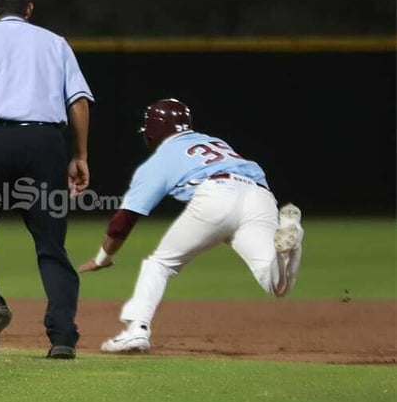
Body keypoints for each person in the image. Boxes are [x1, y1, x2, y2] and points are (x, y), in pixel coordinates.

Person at [78, 98, 304, 353]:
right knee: (276, 284)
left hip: (217, 193)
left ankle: (136, 331)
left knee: (159, 265)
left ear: (152, 130)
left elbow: (123, 221)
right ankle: (290, 240)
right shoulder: (215, 142)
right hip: (260, 196)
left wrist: (102, 258)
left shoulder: (164, 156)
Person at [0, 0, 95, 359]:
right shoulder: (55, 42)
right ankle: (63, 337)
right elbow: (78, 100)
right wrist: (79, 155)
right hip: (46, 143)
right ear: (29, 10)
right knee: (51, 245)